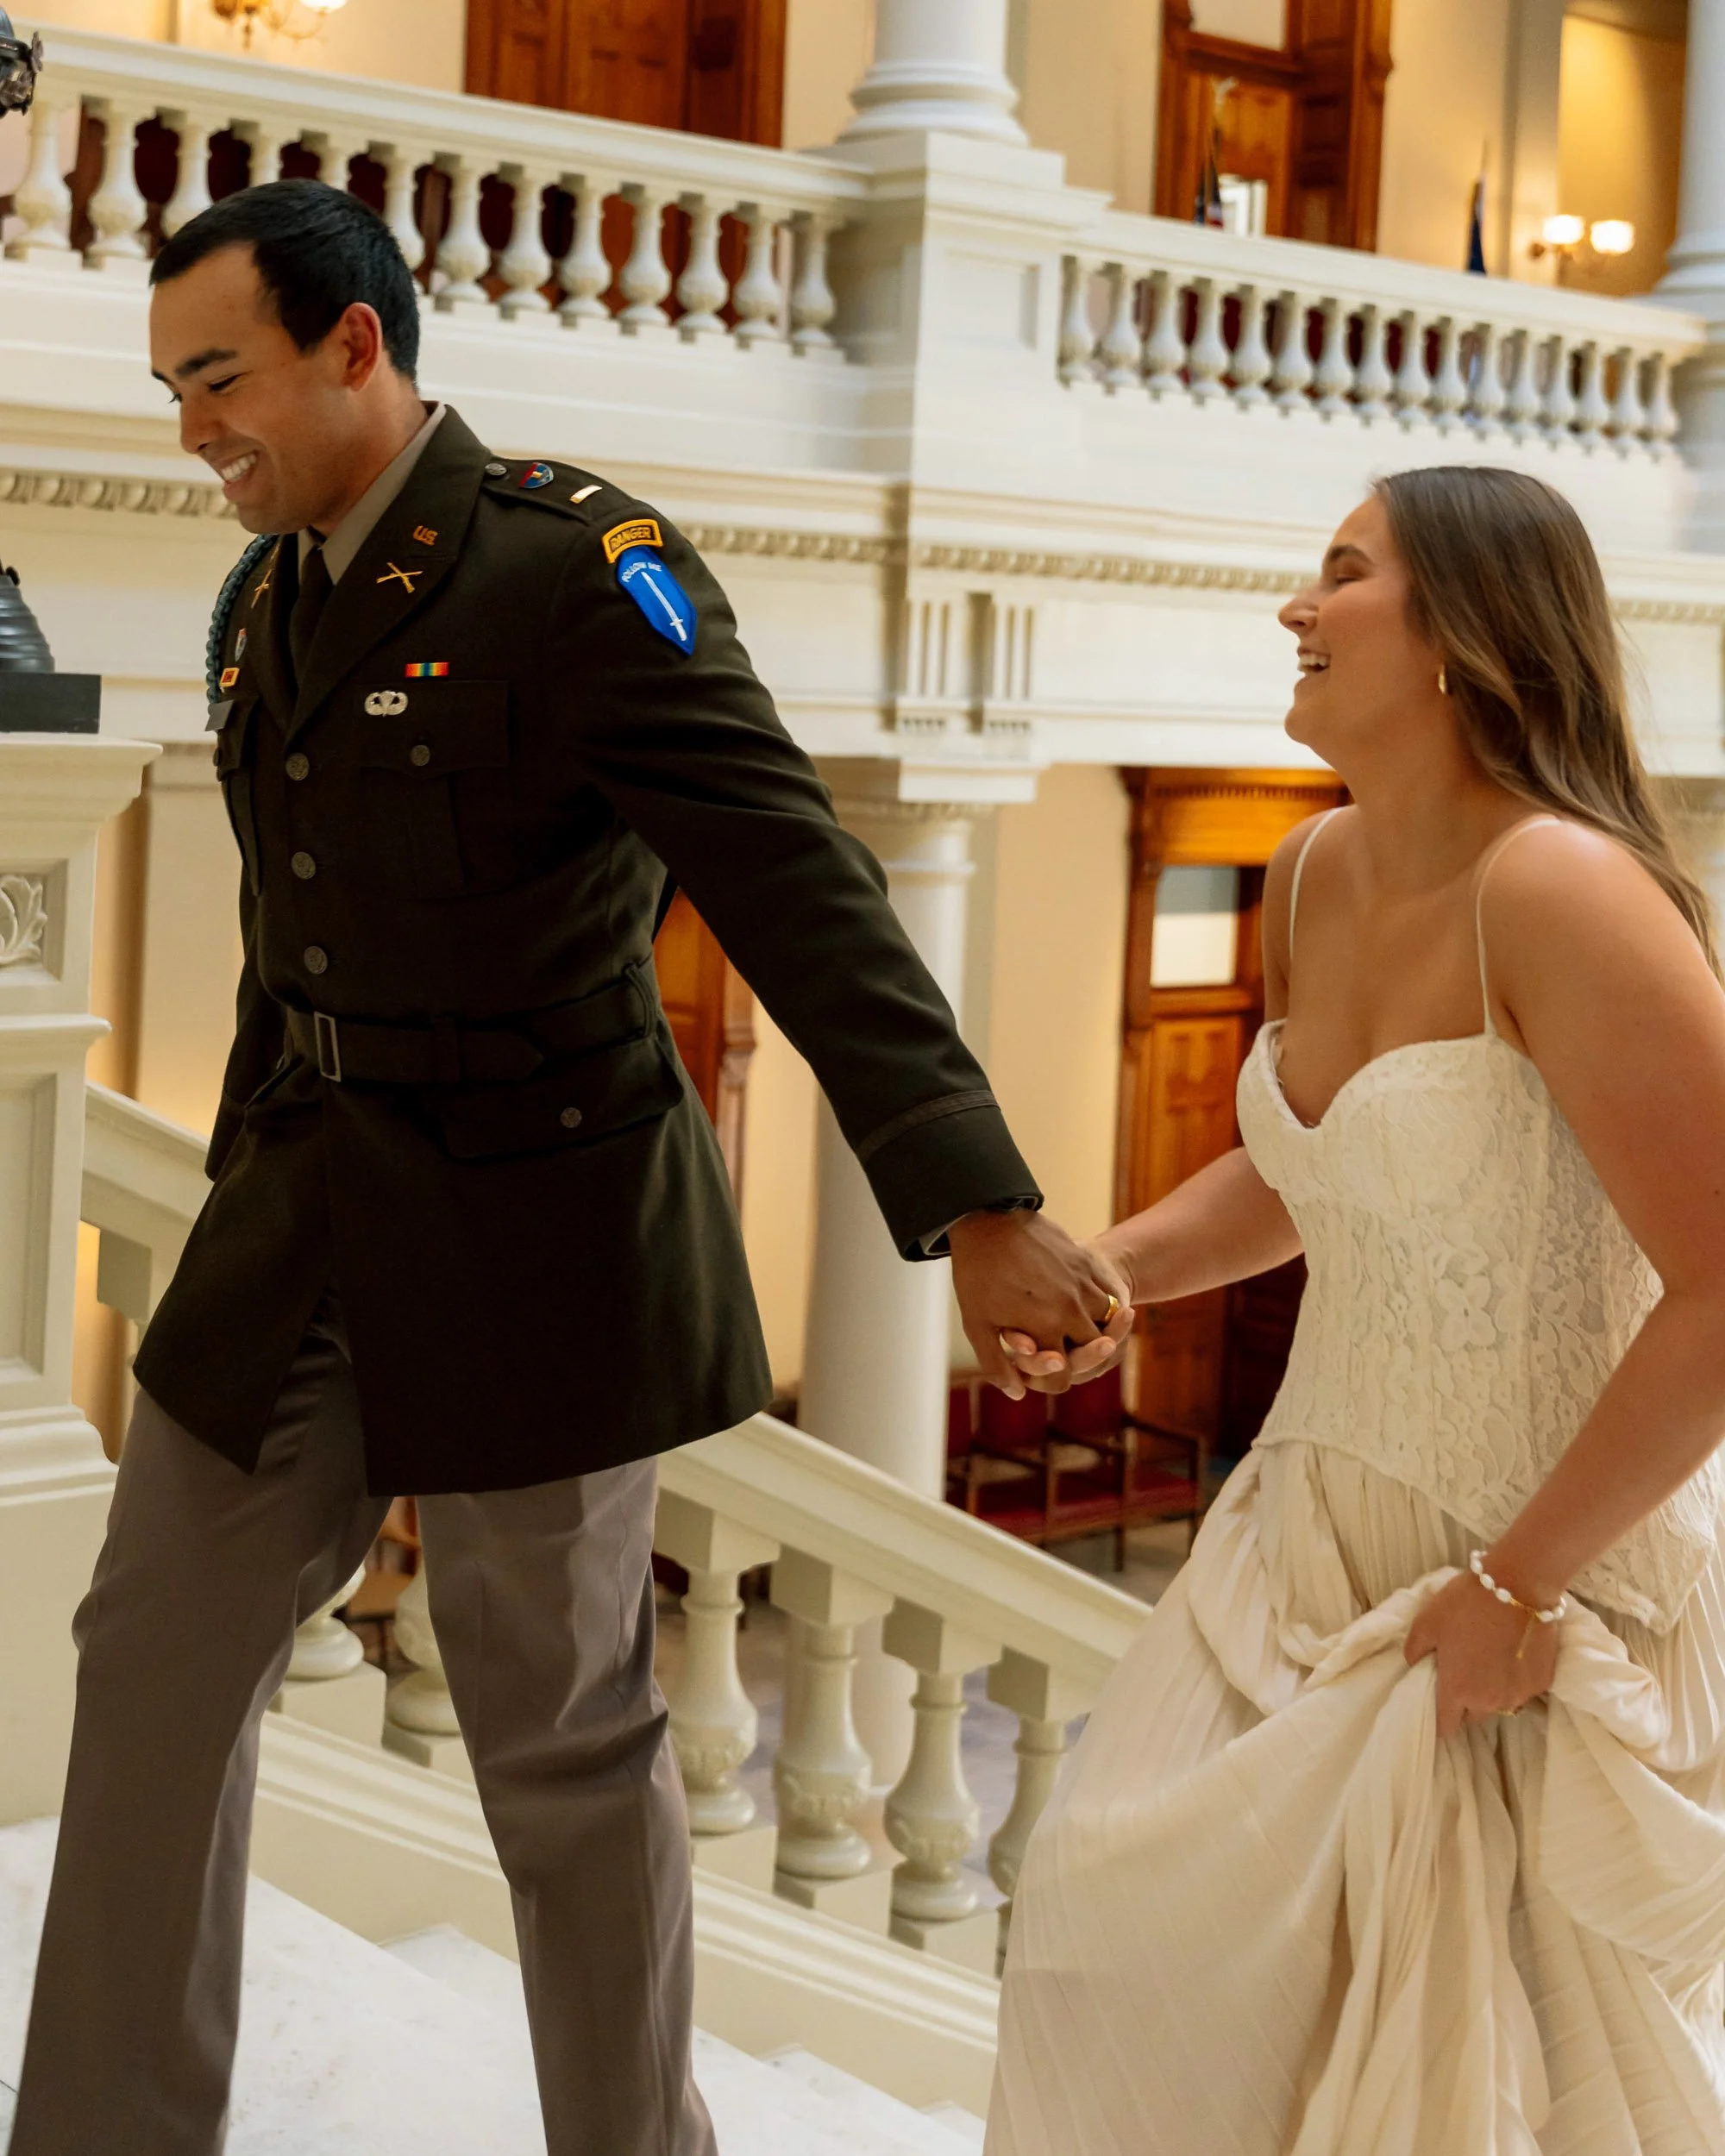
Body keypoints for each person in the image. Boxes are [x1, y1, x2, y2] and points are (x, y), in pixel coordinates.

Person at [9, 179, 1129, 2156]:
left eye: (220, 378)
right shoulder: (259, 595)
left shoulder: (575, 569)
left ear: (356, 347)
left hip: (540, 1227)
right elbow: (299, 940)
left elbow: (795, 875)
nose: (194, 428)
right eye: (175, 386)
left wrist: (974, 1199)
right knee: (151, 1652)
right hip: (305, 1221)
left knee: (562, 1741)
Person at [988, 466, 1725, 2154]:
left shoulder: (1564, 893)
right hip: (1302, 1532)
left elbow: (1718, 1284)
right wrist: (1116, 1270)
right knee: (1126, 1956)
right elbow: (1312, 1168)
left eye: (1340, 572)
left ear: (1466, 632)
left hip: (1527, 1565)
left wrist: (1513, 1583)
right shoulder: (1306, 871)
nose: (1293, 608)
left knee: (1455, 2091)